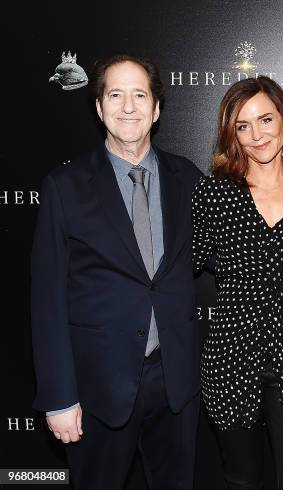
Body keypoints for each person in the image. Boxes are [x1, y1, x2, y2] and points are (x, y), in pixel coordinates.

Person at [31, 54, 202, 490]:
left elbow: (232, 255)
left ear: (157, 109)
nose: (129, 107)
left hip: (176, 386)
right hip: (96, 391)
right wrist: (58, 398)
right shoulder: (64, 188)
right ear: (99, 107)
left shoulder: (189, 179)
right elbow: (46, 301)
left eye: (140, 95)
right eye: (116, 95)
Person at [192, 76, 283, 490]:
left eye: (266, 120)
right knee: (242, 480)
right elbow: (180, 267)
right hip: (231, 359)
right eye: (243, 126)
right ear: (231, 135)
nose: (257, 135)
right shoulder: (215, 193)